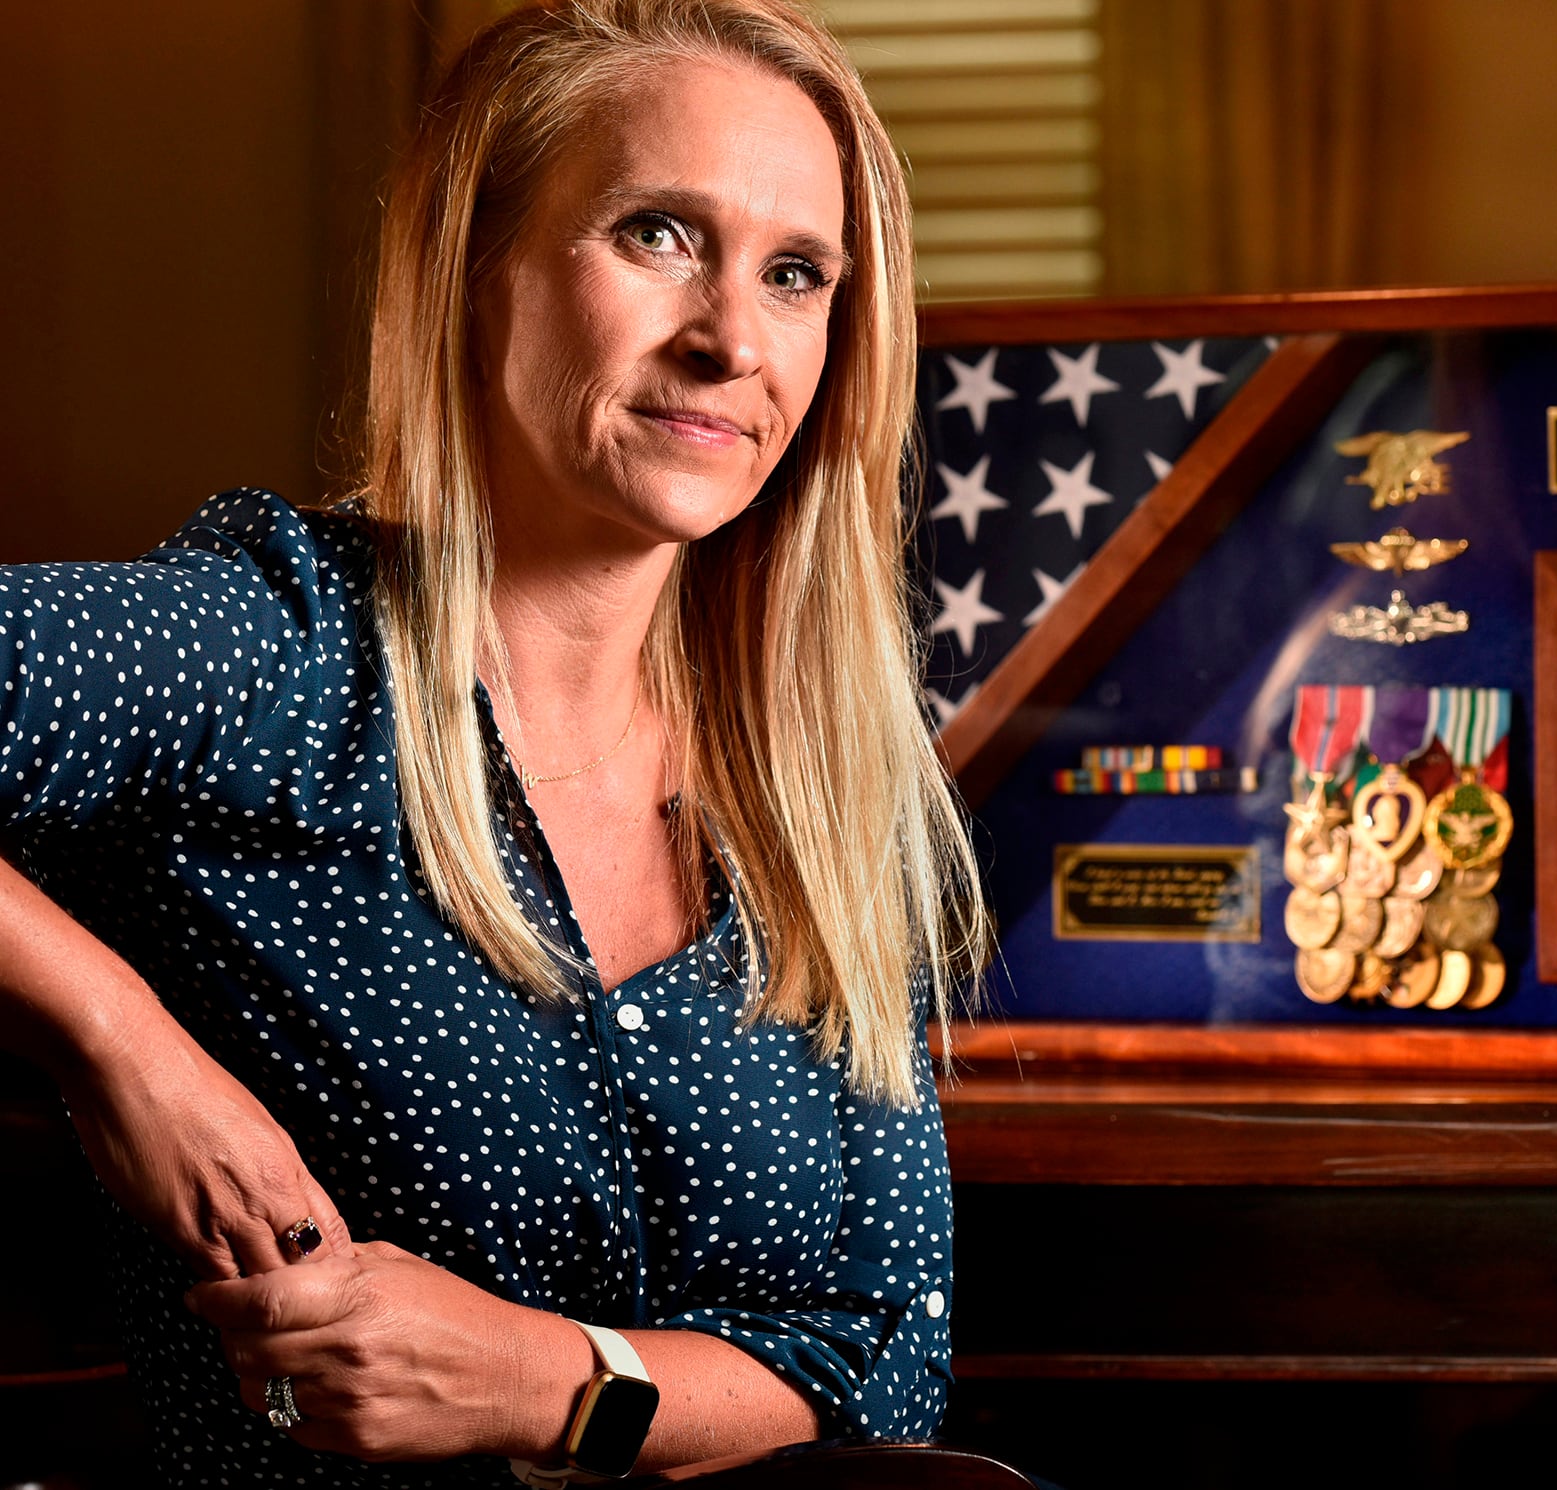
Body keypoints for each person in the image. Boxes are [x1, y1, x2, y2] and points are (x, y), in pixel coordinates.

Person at [0, 2, 988, 1485]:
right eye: (658, 235)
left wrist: (554, 1381)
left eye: (796, 274)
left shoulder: (828, 783)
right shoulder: (275, 657)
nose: (731, 339)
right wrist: (118, 1041)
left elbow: (882, 1354)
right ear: (477, 269)